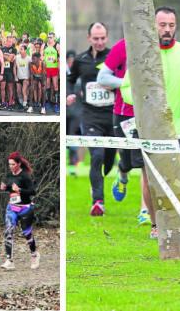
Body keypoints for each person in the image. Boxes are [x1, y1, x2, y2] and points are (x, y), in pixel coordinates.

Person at [116, 7, 180, 237]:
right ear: (153, 25)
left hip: (177, 128)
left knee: (175, 177)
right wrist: (140, 99)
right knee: (149, 177)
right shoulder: (142, 52)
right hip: (147, 128)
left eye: (171, 25)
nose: (167, 29)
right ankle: (156, 224)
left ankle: (175, 221)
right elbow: (126, 88)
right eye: (162, 25)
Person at [67, 22, 116, 216]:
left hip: (112, 116)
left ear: (107, 37)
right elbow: (70, 80)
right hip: (90, 116)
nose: (100, 42)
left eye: (103, 38)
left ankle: (104, 180)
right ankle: (98, 201)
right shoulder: (81, 60)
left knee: (109, 161)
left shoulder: (115, 58)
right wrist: (69, 94)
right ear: (89, 38)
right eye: (96, 38)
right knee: (96, 155)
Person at [0, 152, 40, 270]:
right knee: (8, 231)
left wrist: (20, 190)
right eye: (9, 164)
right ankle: (9, 260)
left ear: (19, 164)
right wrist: (4, 188)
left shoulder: (25, 176)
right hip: (12, 207)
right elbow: (10, 188)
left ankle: (34, 255)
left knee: (26, 233)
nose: (11, 166)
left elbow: (33, 192)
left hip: (25, 208)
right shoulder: (8, 175)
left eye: (13, 164)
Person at [43, 33, 60, 113]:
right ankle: (47, 102)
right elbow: (41, 56)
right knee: (47, 85)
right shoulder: (44, 46)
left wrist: (59, 68)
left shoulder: (57, 45)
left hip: (54, 68)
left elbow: (60, 57)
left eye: (51, 37)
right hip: (46, 69)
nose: (49, 39)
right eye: (48, 37)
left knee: (55, 86)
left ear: (54, 38)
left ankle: (56, 104)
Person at [1, 35, 18, 110]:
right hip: (3, 71)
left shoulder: (14, 49)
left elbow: (11, 59)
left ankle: (10, 102)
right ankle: (3, 102)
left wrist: (4, 55)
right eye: (9, 41)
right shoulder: (2, 48)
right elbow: (0, 58)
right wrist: (7, 56)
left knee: (10, 88)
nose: (10, 42)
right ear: (6, 41)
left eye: (11, 41)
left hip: (10, 71)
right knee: (2, 87)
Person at [15, 44, 31, 109]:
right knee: (18, 91)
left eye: (21, 49)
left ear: (25, 50)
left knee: (24, 91)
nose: (20, 50)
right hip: (19, 77)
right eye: (19, 49)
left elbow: (31, 68)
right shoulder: (17, 57)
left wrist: (29, 78)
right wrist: (15, 76)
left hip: (26, 78)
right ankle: (22, 103)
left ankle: (25, 104)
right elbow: (14, 67)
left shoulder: (29, 58)